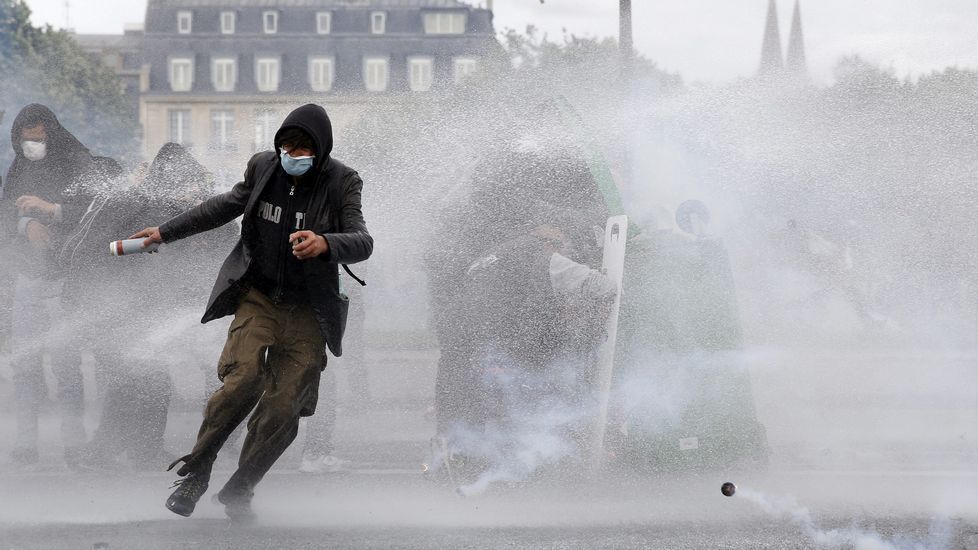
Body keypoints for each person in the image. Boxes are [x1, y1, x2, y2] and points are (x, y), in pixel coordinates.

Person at [129, 104, 372, 520]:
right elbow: (224, 206)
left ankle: (240, 489)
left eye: (303, 147)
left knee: (284, 408)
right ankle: (196, 473)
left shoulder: (342, 181)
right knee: (241, 381)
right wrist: (165, 232)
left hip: (308, 310)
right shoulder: (263, 167)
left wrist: (325, 243)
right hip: (258, 297)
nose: (293, 154)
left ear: (322, 149)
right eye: (286, 145)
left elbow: (362, 240)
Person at [59, 144, 230, 470]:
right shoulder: (144, 207)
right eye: (182, 184)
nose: (188, 191)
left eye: (192, 184)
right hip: (120, 305)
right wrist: (148, 244)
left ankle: (132, 450)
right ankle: (111, 451)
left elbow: (225, 236)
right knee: (136, 377)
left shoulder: (191, 209)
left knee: (147, 377)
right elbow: (113, 249)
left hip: (146, 306)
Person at [0, 104, 93, 467]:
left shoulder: (78, 162)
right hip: (27, 278)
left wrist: (51, 210)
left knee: (67, 363)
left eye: (38, 137)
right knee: (26, 363)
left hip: (65, 279)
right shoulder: (20, 166)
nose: (31, 145)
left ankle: (74, 442)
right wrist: (26, 226)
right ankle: (26, 440)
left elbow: (94, 209)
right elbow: (6, 214)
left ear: (51, 133)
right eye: (25, 139)